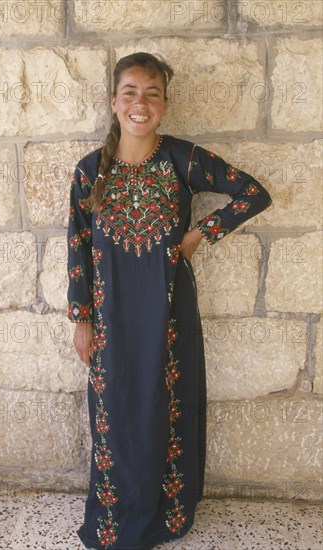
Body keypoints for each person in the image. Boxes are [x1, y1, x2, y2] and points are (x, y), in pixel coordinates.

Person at [67, 52, 272, 550]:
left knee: (167, 406)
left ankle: (168, 513)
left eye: (152, 93)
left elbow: (252, 193)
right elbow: (77, 247)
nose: (141, 103)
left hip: (169, 312)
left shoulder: (184, 158)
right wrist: (81, 320)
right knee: (113, 409)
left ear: (165, 103)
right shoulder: (90, 171)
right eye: (131, 92)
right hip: (111, 317)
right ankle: (116, 513)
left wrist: (200, 233)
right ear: (115, 101)